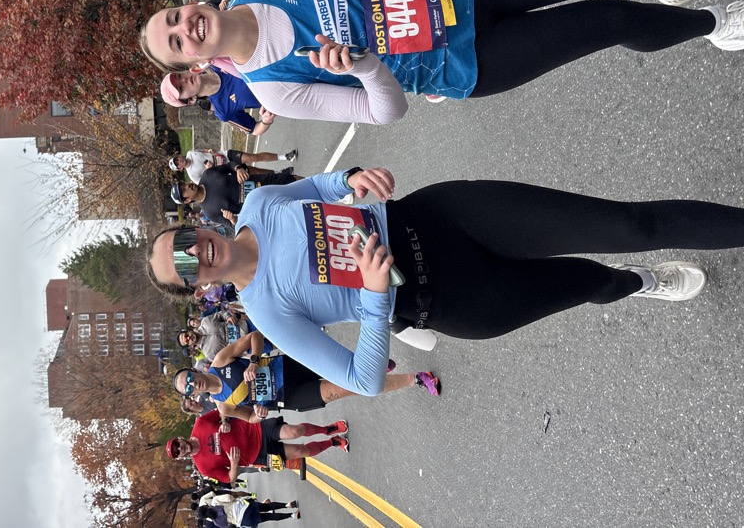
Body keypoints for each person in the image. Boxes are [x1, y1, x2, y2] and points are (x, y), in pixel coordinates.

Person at [147, 166, 744, 396]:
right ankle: (638, 283)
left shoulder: (259, 205)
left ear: (188, 227)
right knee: (589, 281)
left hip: (441, 216)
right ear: (200, 288)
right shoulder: (267, 315)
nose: (194, 253)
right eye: (186, 267)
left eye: (182, 242)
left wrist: (352, 179)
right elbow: (362, 380)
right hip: (454, 299)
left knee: (625, 221)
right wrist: (378, 302)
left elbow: (323, 190)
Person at [142, 0, 744, 124]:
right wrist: (363, 66)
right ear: (190, 64)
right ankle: (713, 22)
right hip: (467, 60)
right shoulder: (272, 87)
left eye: (175, 16)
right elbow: (385, 112)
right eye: (175, 42)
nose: (184, 26)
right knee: (610, 20)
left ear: (189, 4)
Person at [172, 329, 437, 422]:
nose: (192, 384)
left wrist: (253, 361)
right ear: (193, 395)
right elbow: (251, 417)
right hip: (288, 397)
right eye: (189, 388)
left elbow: (255, 337)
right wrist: (259, 414)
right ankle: (417, 379)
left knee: (344, 365)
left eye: (189, 377)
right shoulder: (224, 407)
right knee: (345, 388)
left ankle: (369, 364)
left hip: (289, 366)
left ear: (194, 370)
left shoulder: (220, 361)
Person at [166, 410, 347, 485]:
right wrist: (235, 464)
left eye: (177, 445)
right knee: (302, 452)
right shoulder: (203, 467)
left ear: (180, 439)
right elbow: (229, 479)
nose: (180, 448)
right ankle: (333, 442)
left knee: (295, 431)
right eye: (177, 452)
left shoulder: (201, 423)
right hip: (258, 455)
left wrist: (224, 421)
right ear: (181, 456)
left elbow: (223, 409)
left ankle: (327, 429)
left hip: (256, 430)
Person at [160, 65, 280, 137]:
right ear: (191, 100)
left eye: (179, 76)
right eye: (181, 88)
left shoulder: (217, 62)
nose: (184, 80)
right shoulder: (223, 110)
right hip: (289, 95)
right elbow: (253, 130)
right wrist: (266, 121)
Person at [172, 163, 301, 229]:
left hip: (261, 181)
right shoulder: (210, 212)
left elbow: (229, 165)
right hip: (263, 205)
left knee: (291, 179)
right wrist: (233, 219)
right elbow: (234, 226)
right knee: (295, 204)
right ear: (187, 200)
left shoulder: (207, 175)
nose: (188, 186)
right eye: (184, 190)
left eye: (185, 184)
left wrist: (238, 168)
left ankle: (318, 184)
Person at [170, 148, 297, 184]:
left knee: (252, 157)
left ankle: (285, 156)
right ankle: (280, 173)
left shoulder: (190, 153)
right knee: (256, 172)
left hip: (226, 156)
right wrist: (210, 170)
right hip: (227, 169)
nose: (179, 161)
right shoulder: (192, 175)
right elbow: (205, 184)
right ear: (180, 169)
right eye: (177, 164)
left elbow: (202, 150)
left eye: (177, 159)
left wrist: (209, 150)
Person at [198, 489, 302, 525]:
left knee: (268, 517)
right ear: (205, 507)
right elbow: (229, 497)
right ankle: (287, 505)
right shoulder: (215, 501)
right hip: (244, 508)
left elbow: (227, 523)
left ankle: (292, 515)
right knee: (266, 507)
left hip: (243, 521)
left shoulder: (215, 521)